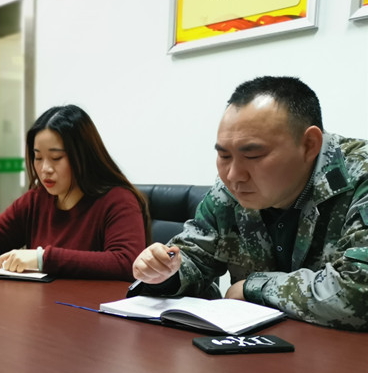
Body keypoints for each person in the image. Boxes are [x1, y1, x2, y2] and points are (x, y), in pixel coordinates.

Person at [131, 75, 368, 331]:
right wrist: (164, 272)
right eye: (224, 156)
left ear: (309, 145)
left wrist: (252, 287)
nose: (233, 176)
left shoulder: (360, 176)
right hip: (256, 349)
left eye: (253, 155)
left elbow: (359, 291)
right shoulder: (229, 192)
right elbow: (193, 257)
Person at [0, 104, 150, 279]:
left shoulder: (118, 200)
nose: (45, 169)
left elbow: (127, 262)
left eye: (56, 157)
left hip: (94, 303)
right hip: (45, 301)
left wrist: (42, 258)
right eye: (38, 157)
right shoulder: (36, 200)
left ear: (83, 156)